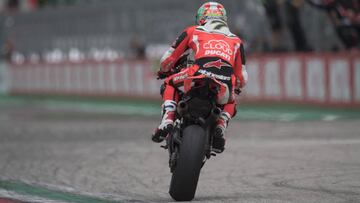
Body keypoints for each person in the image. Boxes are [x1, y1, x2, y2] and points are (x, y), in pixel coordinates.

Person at [151, 2, 248, 153]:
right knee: (233, 95)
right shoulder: (236, 40)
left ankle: (167, 119)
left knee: (169, 83)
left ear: (201, 17)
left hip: (196, 74)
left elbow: (167, 60)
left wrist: (163, 70)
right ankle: (221, 125)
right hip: (223, 84)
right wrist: (237, 85)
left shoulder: (193, 31)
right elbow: (242, 78)